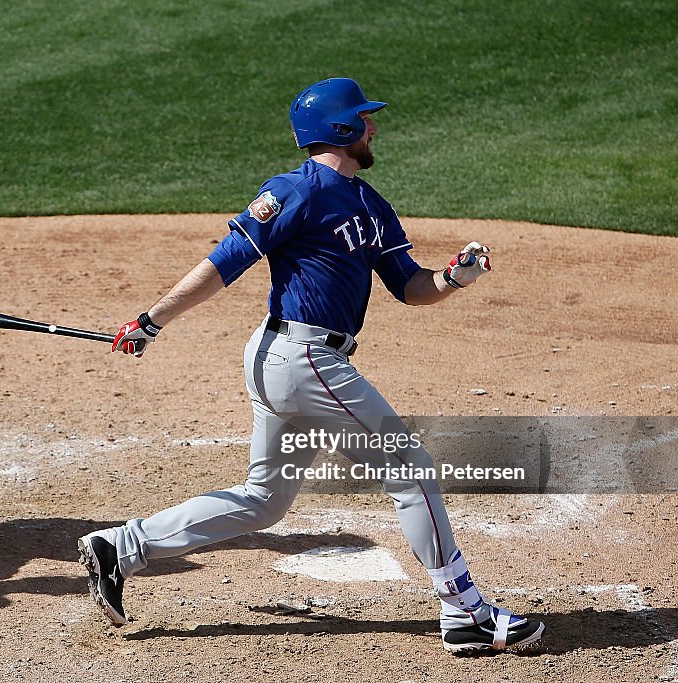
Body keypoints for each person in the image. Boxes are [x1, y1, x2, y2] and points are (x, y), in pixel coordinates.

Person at [78, 78, 544, 654]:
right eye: (366, 120)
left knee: (265, 499)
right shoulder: (295, 191)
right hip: (303, 358)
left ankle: (121, 547)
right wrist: (152, 320)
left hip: (294, 360)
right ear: (343, 130)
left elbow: (409, 286)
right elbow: (225, 262)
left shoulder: (371, 205)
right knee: (411, 472)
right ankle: (464, 609)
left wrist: (452, 278)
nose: (376, 127)